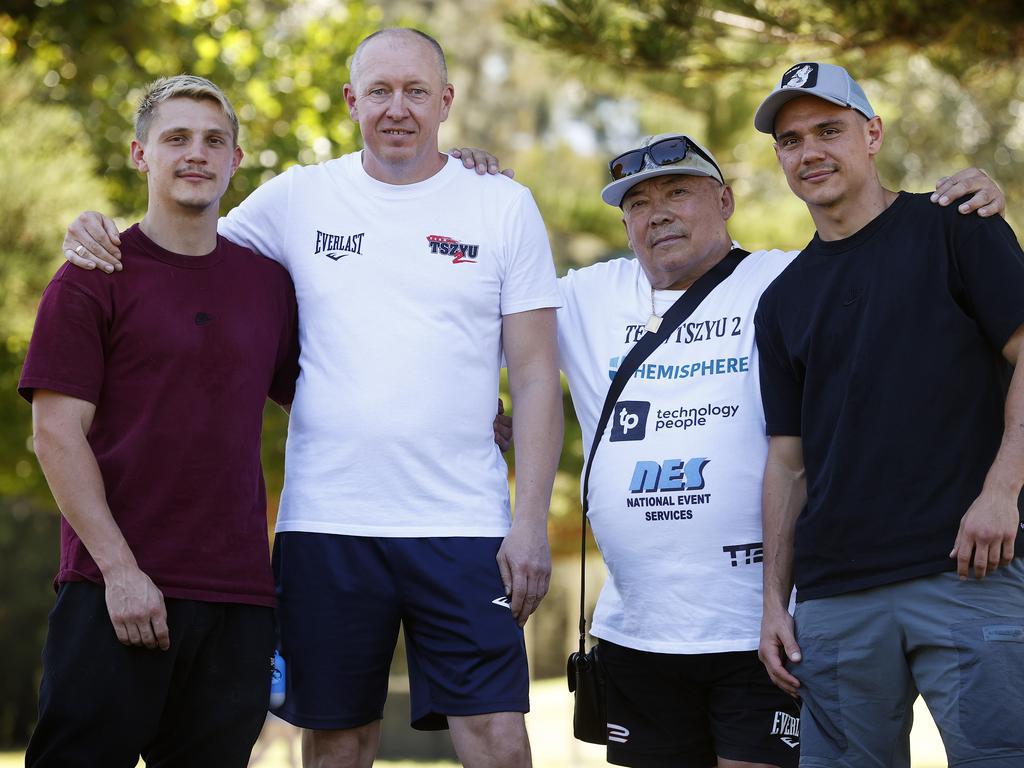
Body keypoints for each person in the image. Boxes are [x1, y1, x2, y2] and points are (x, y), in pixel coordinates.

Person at [62, 28, 563, 768]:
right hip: (326, 524)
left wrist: (529, 524)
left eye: (417, 91)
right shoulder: (299, 197)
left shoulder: (502, 206)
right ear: (350, 100)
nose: (398, 108)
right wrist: (93, 226)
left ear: (446, 101)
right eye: (381, 91)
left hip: (465, 524)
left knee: (497, 737)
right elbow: (182, 247)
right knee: (336, 742)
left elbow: (534, 378)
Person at [554, 131, 1003, 768]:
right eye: (637, 203)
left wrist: (969, 209)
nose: (658, 212)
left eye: (679, 191)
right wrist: (461, 180)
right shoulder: (584, 296)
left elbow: (897, 275)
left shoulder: (786, 277)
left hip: (762, 629)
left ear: (725, 201)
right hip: (637, 629)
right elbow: (467, 321)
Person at [20, 75, 300, 767]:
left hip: (238, 598)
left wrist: (478, 416)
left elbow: (331, 396)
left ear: (237, 160)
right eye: (175, 138)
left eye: (214, 141)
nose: (195, 154)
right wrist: (120, 571)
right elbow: (55, 434)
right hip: (112, 591)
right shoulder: (93, 276)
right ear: (142, 154)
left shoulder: (266, 284)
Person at [753, 61, 1024, 768]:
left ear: (872, 134)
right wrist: (775, 603)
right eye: (790, 139)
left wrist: (1002, 494)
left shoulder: (959, 228)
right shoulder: (782, 300)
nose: (809, 151)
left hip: (968, 572)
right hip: (836, 599)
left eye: (829, 130)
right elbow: (788, 460)